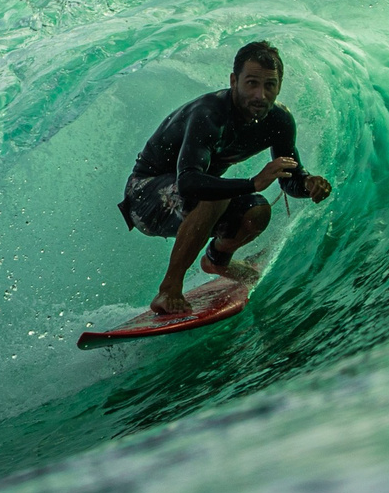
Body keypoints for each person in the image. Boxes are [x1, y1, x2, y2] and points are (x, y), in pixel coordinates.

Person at [118, 40, 333, 317]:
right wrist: (253, 183)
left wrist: (307, 184)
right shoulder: (209, 114)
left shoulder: (279, 121)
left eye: (270, 85)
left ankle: (217, 261)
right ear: (234, 80)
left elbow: (289, 179)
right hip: (144, 199)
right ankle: (169, 289)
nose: (260, 95)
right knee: (219, 195)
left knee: (257, 211)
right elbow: (190, 183)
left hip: (193, 201)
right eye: (252, 83)